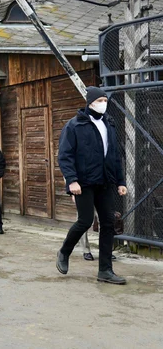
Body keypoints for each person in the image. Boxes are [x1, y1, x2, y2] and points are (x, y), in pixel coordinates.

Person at [56, 87, 127, 285]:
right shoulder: (74, 125)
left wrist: (120, 181)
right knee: (85, 221)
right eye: (101, 99)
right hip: (83, 183)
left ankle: (105, 270)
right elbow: (65, 156)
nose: (104, 103)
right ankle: (65, 251)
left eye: (106, 99)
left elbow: (114, 156)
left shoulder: (109, 124)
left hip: (105, 182)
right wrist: (72, 180)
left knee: (108, 224)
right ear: (91, 102)